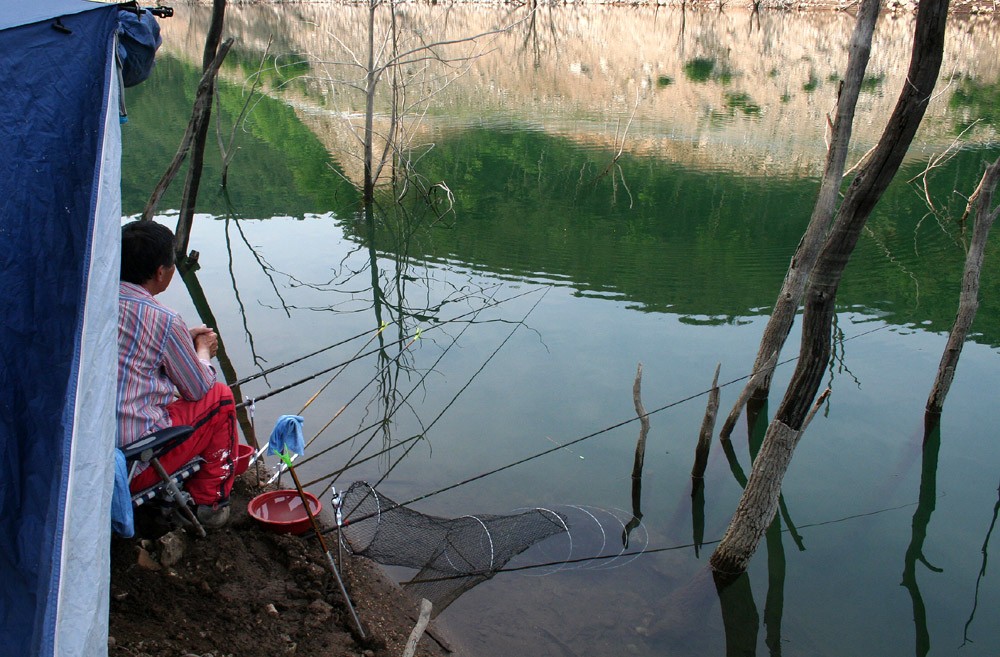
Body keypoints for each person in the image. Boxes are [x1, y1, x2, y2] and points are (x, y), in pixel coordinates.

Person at [117, 220, 236, 529]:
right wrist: (203, 351)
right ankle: (211, 505)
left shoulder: (90, 302)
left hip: (86, 451)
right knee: (221, 398)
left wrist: (182, 339)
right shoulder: (163, 319)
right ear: (161, 272)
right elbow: (197, 388)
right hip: (132, 462)